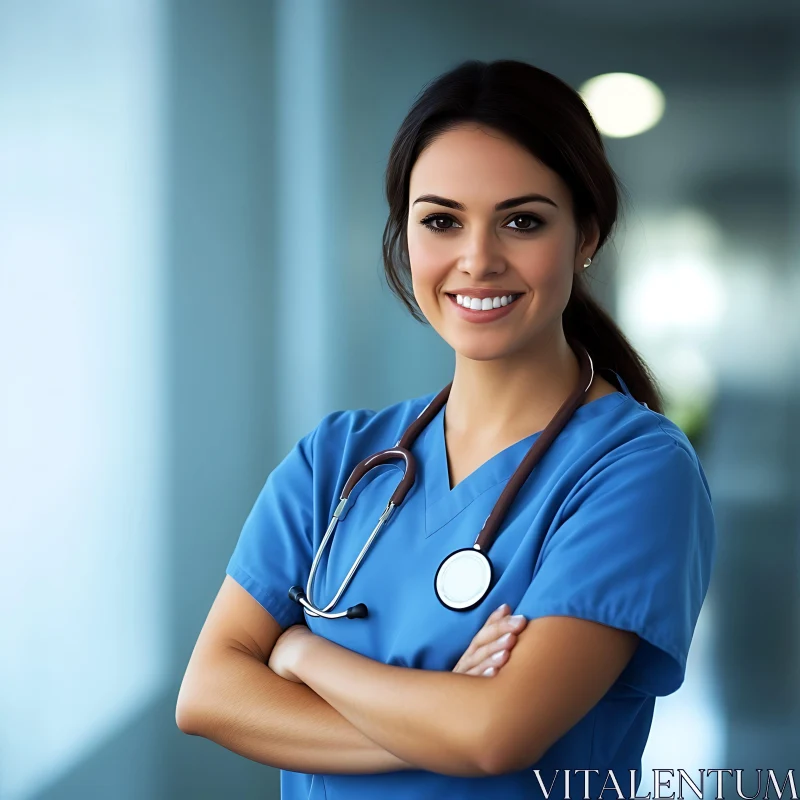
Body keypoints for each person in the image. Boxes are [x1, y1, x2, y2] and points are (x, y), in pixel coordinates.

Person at [176, 59, 717, 800]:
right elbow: (207, 694)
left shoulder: (635, 470)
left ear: (586, 234)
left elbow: (495, 734)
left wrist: (302, 654)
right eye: (441, 220)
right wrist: (437, 717)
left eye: (522, 221)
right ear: (406, 236)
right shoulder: (337, 460)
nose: (478, 260)